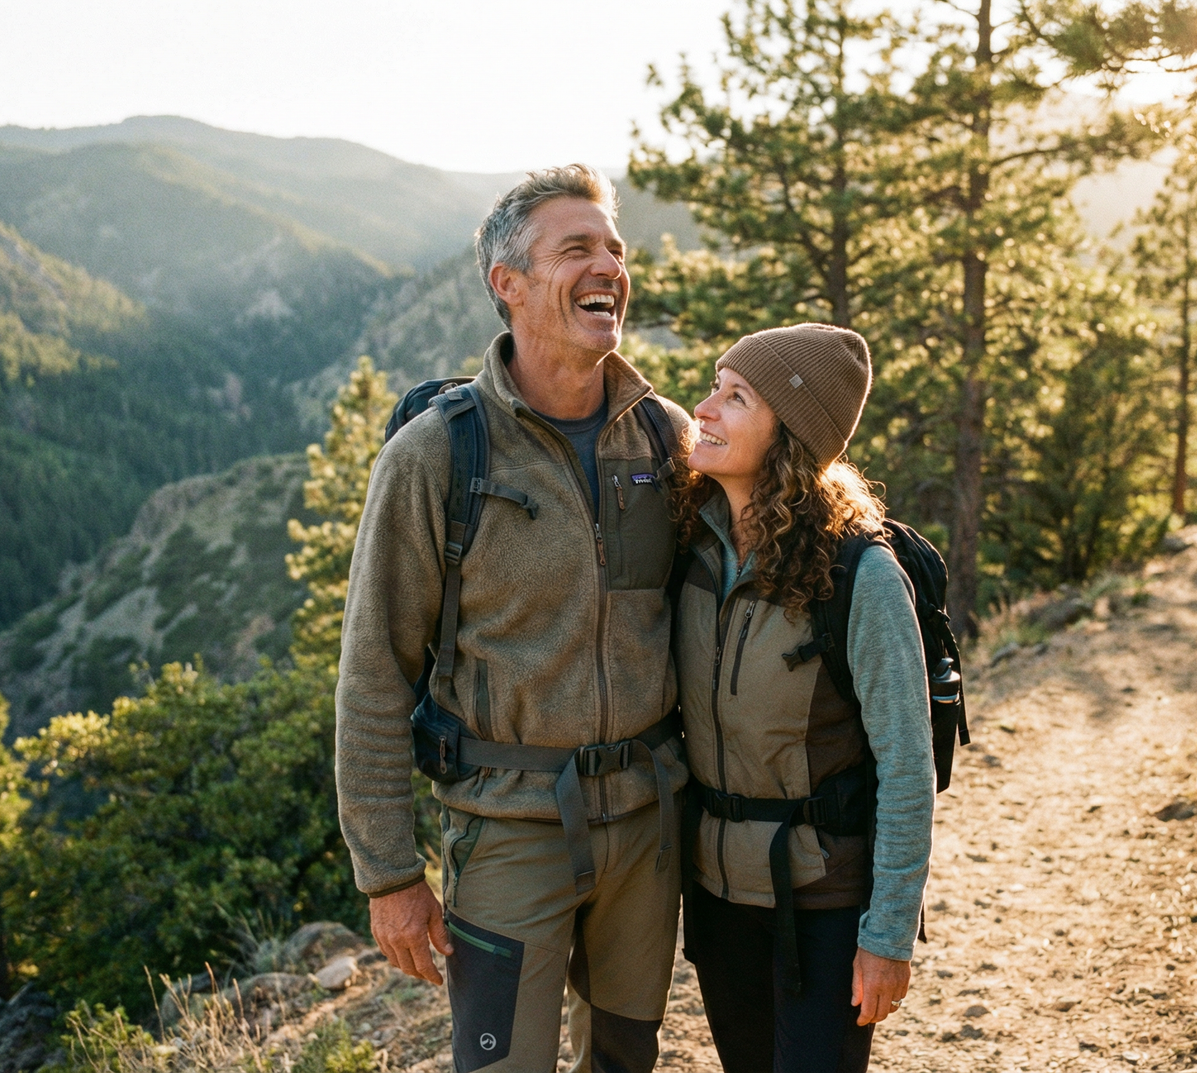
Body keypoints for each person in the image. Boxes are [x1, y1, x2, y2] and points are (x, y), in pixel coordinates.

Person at [335, 164, 690, 1073]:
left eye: (614, 247)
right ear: (509, 283)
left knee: (624, 1058)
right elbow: (375, 672)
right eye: (576, 248)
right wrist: (390, 875)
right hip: (507, 831)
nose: (608, 264)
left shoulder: (665, 438)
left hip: (646, 826)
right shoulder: (437, 455)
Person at [671, 324, 935, 1073]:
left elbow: (906, 769)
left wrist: (886, 938)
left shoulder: (861, 576)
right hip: (719, 898)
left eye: (736, 396)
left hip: (822, 902)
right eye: (714, 387)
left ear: (788, 434)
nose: (705, 408)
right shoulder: (693, 542)